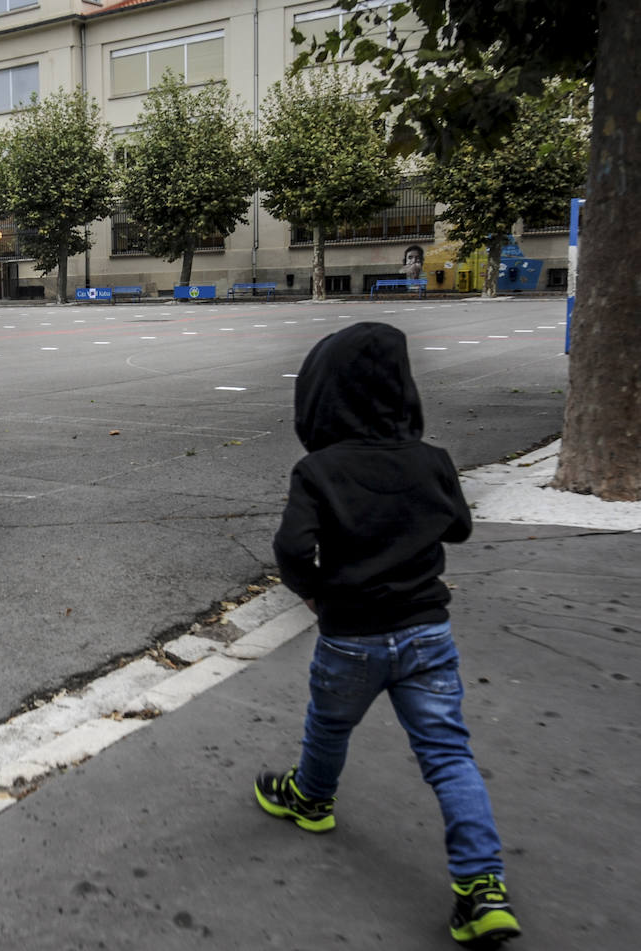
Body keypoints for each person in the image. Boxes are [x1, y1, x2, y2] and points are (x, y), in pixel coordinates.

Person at [257, 322, 520, 947]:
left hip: (350, 634)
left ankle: (312, 801)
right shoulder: (432, 461)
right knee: (449, 755)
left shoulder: (319, 469)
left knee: (328, 726)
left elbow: (292, 548)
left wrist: (318, 594)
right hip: (427, 633)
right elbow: (458, 529)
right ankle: (482, 888)